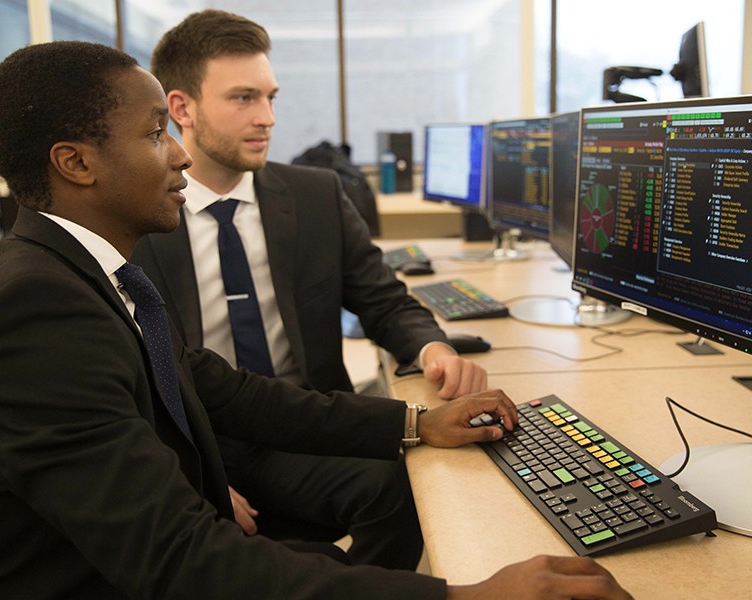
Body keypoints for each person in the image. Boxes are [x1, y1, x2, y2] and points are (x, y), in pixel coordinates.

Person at [0, 41, 633, 600]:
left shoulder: (89, 276)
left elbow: (223, 390)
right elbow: (179, 561)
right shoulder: (39, 311)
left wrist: (417, 424)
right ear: (76, 164)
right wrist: (466, 598)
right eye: (157, 134)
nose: (180, 152)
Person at [130, 8, 488, 559]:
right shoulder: (137, 220)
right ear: (182, 108)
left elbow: (382, 299)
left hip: (304, 425)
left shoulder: (316, 196)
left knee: (404, 489)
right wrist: (182, 475)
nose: (268, 117)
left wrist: (430, 345)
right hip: (200, 441)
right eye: (244, 98)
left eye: (272, 97)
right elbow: (127, 383)